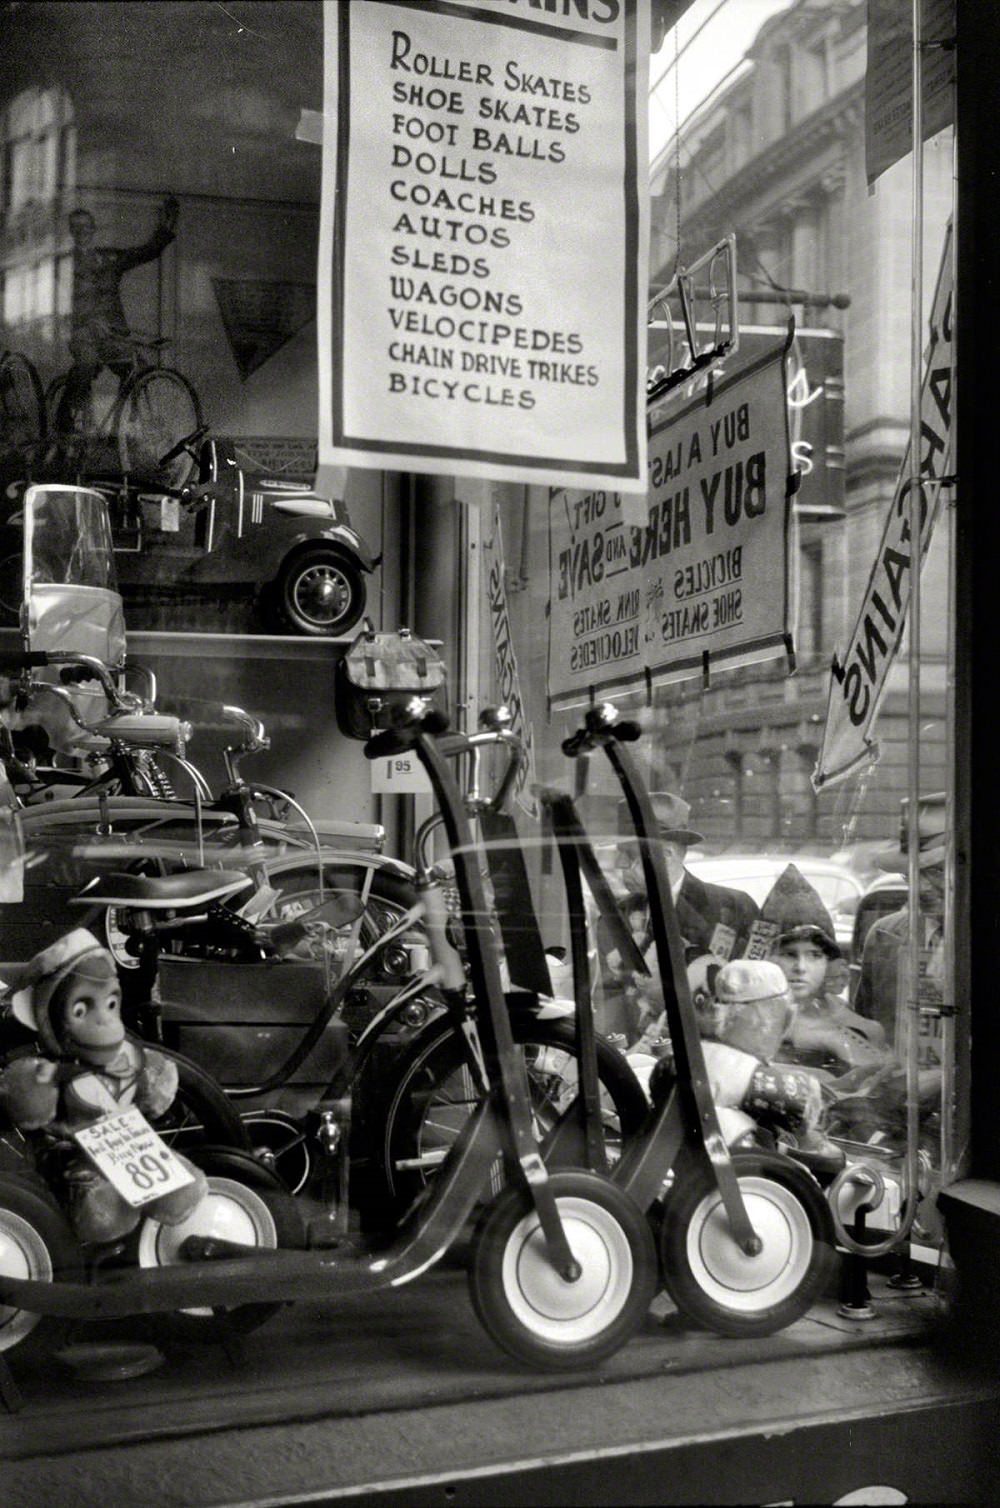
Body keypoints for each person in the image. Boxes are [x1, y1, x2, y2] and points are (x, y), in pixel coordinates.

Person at [54, 196, 179, 437]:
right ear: (71, 231)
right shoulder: (64, 264)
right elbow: (62, 302)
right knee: (87, 364)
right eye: (76, 227)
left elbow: (145, 252)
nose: (82, 232)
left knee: (137, 370)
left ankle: (122, 427)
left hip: (113, 335)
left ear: (93, 230)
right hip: (84, 335)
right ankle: (64, 417)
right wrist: (89, 321)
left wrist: (165, 228)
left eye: (86, 227)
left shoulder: (109, 258)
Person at [853, 792, 947, 1059]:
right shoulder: (885, 936)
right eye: (911, 874)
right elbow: (866, 1031)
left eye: (938, 871)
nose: (921, 887)